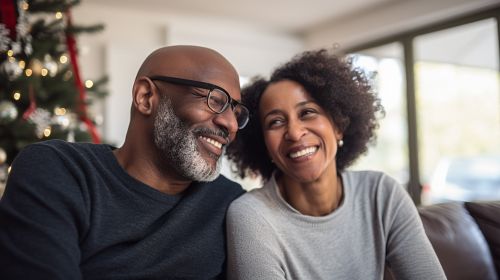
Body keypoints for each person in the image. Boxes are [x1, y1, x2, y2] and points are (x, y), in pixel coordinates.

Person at [0, 46, 248, 279]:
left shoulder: (233, 204)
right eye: (215, 100)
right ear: (145, 96)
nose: (231, 124)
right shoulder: (58, 169)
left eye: (236, 112)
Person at [225, 49, 446, 279]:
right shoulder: (252, 216)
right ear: (264, 144)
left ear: (338, 125)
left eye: (308, 112)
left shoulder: (382, 194)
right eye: (276, 122)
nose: (294, 132)